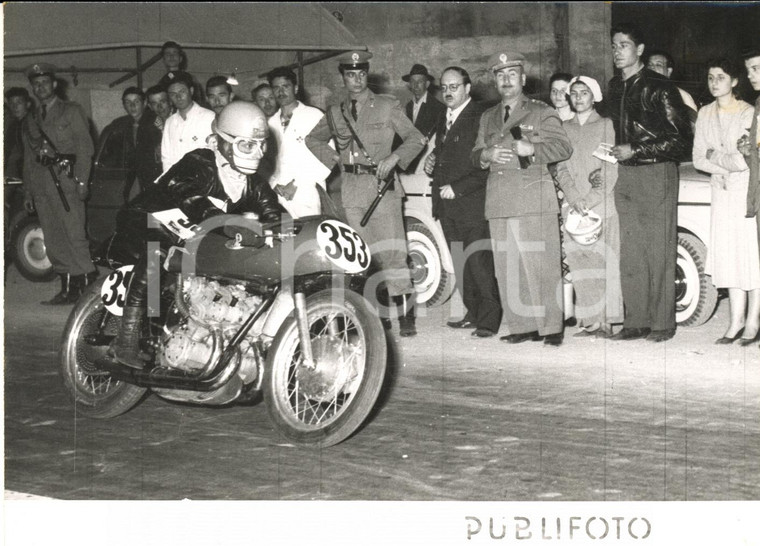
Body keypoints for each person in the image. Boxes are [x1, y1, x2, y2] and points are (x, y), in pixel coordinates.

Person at [109, 102, 285, 369]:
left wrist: (289, 230)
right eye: (247, 145)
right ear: (220, 142)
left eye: (261, 145)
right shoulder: (199, 161)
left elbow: (275, 213)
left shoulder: (254, 184)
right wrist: (227, 222)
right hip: (149, 217)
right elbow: (188, 195)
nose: (257, 153)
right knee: (157, 253)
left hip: (193, 232)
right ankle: (126, 340)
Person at [306, 50, 425, 337]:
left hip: (382, 189)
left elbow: (416, 138)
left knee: (394, 254)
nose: (356, 80)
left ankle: (406, 317)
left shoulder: (386, 105)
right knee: (365, 258)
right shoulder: (336, 112)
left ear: (366, 75)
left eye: (361, 74)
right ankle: (377, 319)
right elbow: (312, 139)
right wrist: (336, 161)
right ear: (343, 77)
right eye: (350, 75)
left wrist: (394, 158)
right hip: (353, 192)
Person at [471, 51, 572, 346]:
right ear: (494, 80)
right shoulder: (488, 116)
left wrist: (533, 149)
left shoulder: (541, 112)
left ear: (523, 79)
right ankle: (522, 325)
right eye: (500, 75)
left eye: (512, 74)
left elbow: (563, 147)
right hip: (500, 201)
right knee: (508, 267)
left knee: (542, 265)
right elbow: (475, 154)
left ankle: (552, 328)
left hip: (532, 198)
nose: (506, 80)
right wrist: (486, 155)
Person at [607, 23, 692, 342]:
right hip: (626, 174)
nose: (617, 51)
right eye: (614, 45)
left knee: (658, 249)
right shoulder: (615, 86)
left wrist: (638, 149)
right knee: (631, 250)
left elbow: (682, 141)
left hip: (657, 174)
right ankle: (636, 321)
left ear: (640, 50)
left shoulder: (660, 86)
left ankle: (662, 324)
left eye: (624, 45)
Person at [423, 66, 501, 338]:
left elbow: (486, 163)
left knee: (479, 262)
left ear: (468, 88)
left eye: (454, 86)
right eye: (444, 87)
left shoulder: (480, 116)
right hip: (447, 206)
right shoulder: (444, 117)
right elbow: (447, 156)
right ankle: (474, 312)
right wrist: (431, 163)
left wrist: (458, 187)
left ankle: (490, 319)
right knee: (460, 263)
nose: (448, 92)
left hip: (471, 203)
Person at [693, 58, 759, 346]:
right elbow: (697, 158)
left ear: (734, 81)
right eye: (710, 77)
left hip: (743, 192)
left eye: (721, 76)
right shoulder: (705, 113)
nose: (714, 82)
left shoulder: (748, 112)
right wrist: (721, 164)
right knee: (728, 256)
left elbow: (745, 160)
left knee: (749, 256)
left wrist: (715, 158)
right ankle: (734, 322)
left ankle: (753, 322)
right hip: (719, 192)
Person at [21, 63, 97, 304]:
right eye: (36, 84)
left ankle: (86, 288)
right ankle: (67, 289)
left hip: (66, 181)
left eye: (44, 82)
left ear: (54, 85)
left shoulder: (71, 111)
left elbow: (85, 149)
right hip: (42, 187)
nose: (40, 87)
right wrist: (28, 192)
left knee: (74, 234)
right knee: (53, 239)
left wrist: (83, 181)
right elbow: (28, 159)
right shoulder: (30, 120)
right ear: (32, 88)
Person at [553, 76, 623, 338]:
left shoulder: (606, 125)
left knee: (605, 261)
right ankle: (590, 320)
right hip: (574, 206)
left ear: (594, 97)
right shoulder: (564, 128)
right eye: (574, 93)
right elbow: (560, 166)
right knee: (580, 261)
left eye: (584, 93)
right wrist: (574, 198)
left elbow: (610, 166)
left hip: (602, 205)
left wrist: (591, 198)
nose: (579, 97)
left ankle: (607, 321)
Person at [267, 66, 331, 218]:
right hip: (279, 193)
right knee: (285, 238)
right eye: (276, 88)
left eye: (285, 86)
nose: (281, 92)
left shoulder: (314, 116)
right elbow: (267, 162)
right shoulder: (270, 123)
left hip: (307, 191)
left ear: (295, 88)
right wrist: (273, 184)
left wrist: (297, 184)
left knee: (308, 237)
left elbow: (328, 158)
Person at [100, 87, 156, 202]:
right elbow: (111, 154)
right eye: (128, 102)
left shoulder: (155, 122)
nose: (132, 106)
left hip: (152, 175)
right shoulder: (119, 125)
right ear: (124, 105)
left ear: (144, 103)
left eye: (136, 101)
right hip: (130, 175)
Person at [161, 71, 216, 171]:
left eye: (182, 92)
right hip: (176, 183)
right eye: (173, 94)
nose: (178, 97)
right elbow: (166, 158)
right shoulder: (170, 122)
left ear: (191, 91)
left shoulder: (209, 117)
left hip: (203, 182)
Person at [396, 63, 446, 173]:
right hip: (407, 164)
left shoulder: (439, 109)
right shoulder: (405, 108)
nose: (416, 85)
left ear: (427, 84)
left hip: (426, 164)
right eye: (413, 82)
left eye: (420, 81)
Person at [646, 50, 699, 114]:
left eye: (658, 65)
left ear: (669, 71)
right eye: (649, 65)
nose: (652, 68)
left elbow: (692, 122)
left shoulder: (682, 95)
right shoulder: (642, 92)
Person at [137, 85, 170, 186]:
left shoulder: (181, 121)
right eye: (154, 103)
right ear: (150, 106)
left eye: (163, 101)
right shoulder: (147, 126)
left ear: (170, 101)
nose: (160, 107)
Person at [158, 41, 205, 107]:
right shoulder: (162, 81)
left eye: (175, 53)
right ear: (163, 59)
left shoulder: (190, 78)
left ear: (180, 58)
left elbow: (199, 100)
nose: (171, 57)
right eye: (168, 54)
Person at [4, 87, 32, 178]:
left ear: (28, 104)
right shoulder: (13, 126)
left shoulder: (34, 124)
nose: (15, 107)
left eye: (19, 102)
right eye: (11, 103)